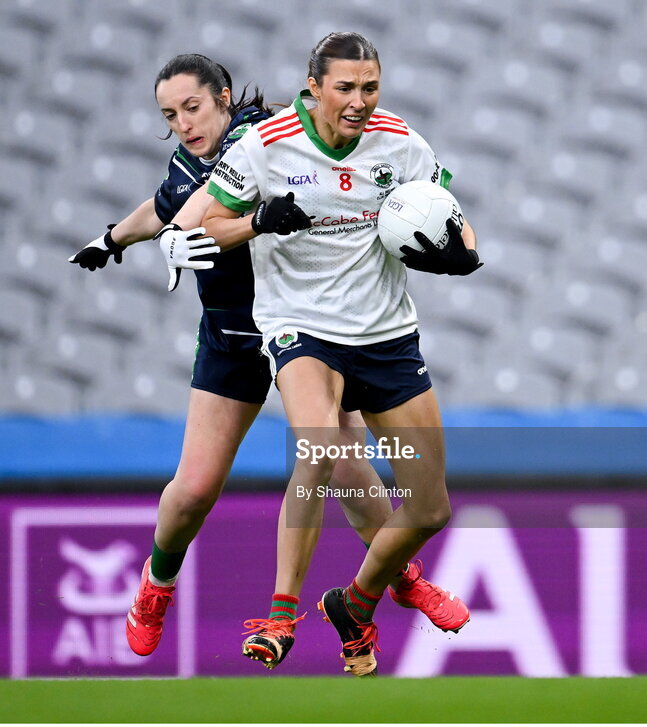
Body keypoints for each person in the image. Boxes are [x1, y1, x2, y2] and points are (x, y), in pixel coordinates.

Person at [68, 53, 465, 669]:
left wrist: (200, 230)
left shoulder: (262, 137)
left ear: (224, 96)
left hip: (309, 331)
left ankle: (393, 585)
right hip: (235, 341)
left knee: (346, 469)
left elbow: (199, 208)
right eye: (169, 115)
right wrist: (114, 237)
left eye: (192, 107)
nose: (183, 124)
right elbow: (168, 203)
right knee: (195, 488)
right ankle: (157, 583)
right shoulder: (184, 163)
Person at [202, 32, 482, 677]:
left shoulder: (400, 141)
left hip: (386, 336)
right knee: (320, 448)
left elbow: (449, 211)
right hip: (302, 329)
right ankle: (279, 614)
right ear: (313, 86)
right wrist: (258, 222)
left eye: (370, 87)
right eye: (346, 87)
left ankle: (354, 605)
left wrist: (465, 253)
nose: (359, 101)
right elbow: (205, 225)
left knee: (432, 508)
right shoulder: (265, 147)